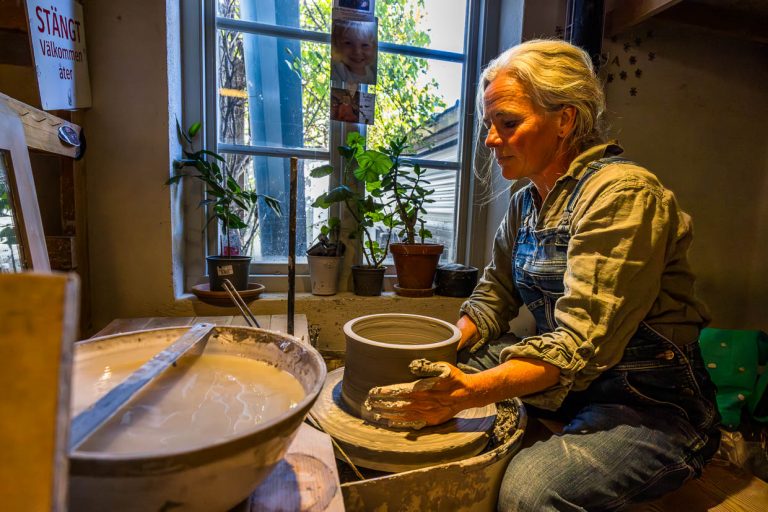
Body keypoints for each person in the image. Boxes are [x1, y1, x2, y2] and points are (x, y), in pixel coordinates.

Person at [364, 39, 720, 510]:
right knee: (422, 379)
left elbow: (579, 342)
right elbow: (493, 296)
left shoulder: (623, 194)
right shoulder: (526, 203)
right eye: (490, 125)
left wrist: (467, 392)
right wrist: (436, 352)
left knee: (527, 494)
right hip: (575, 387)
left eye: (509, 123)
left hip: (649, 404)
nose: (492, 139)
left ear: (564, 120)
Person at [331, 20, 377, 85]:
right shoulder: (337, 70)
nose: (357, 51)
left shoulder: (370, 74)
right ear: (337, 45)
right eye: (348, 43)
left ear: (373, 48)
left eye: (365, 45)